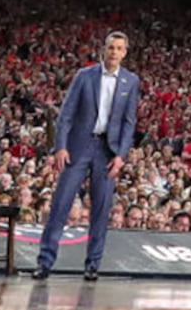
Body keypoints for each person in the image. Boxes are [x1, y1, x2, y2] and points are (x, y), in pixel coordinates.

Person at [34, 31, 139, 281]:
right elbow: (66, 113)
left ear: (125, 53)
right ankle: (44, 262)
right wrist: (61, 146)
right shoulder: (85, 76)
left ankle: (93, 264)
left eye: (119, 48)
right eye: (110, 47)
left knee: (101, 209)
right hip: (79, 147)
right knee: (60, 204)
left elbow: (129, 122)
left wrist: (121, 156)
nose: (114, 52)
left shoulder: (131, 81)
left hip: (107, 151)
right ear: (104, 49)